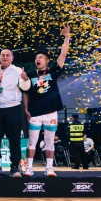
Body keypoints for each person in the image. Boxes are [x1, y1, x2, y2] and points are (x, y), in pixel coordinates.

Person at [22, 24, 71, 177]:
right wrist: (25, 109)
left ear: (47, 60)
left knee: (49, 141)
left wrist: (67, 37)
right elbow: (25, 93)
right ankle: (29, 168)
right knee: (32, 141)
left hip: (50, 112)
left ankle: (49, 168)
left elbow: (62, 55)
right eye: (36, 57)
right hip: (35, 112)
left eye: (41, 57)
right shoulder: (30, 74)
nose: (38, 59)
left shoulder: (53, 71)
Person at [0, 49, 29, 177]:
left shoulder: (18, 70)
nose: (5, 57)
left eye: (8, 55)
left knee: (14, 139)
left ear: (12, 58)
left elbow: (25, 87)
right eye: (3, 55)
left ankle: (15, 167)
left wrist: (25, 79)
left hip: (13, 108)